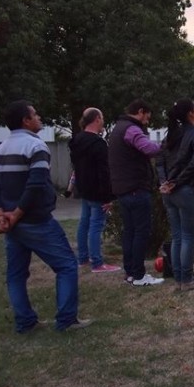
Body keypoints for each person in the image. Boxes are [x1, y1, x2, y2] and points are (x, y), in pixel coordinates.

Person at [0, 100, 91, 332]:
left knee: (15, 274)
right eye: (35, 115)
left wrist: (0, 215)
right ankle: (66, 320)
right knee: (66, 265)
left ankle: (25, 322)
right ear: (25, 120)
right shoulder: (36, 147)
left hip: (13, 224)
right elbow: (35, 185)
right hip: (36, 220)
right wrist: (15, 214)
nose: (39, 118)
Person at [108, 99, 164, 286]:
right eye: (148, 116)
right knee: (141, 232)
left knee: (129, 232)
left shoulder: (118, 128)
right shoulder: (132, 129)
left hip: (122, 190)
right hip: (136, 188)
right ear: (141, 111)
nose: (148, 121)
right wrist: (164, 146)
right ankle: (139, 275)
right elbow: (148, 148)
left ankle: (130, 273)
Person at [156, 99, 194, 292]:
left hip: (169, 193)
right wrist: (175, 182)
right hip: (188, 190)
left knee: (178, 236)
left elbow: (159, 162)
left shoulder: (169, 137)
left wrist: (165, 182)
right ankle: (186, 280)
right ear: (191, 114)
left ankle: (179, 278)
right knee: (187, 237)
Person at [69, 107, 120, 273]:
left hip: (84, 189)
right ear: (97, 119)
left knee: (84, 223)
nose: (103, 122)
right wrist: (108, 197)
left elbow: (76, 167)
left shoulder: (77, 140)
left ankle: (83, 258)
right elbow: (104, 172)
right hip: (98, 191)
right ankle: (97, 262)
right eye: (102, 118)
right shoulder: (98, 144)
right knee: (95, 225)